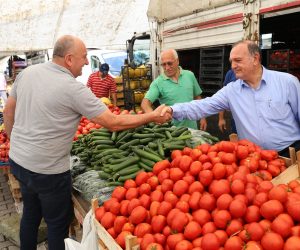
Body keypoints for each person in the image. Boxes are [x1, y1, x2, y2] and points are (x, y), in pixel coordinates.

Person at [3, 35, 171, 250]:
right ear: (69, 58)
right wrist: (152, 116)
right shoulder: (72, 88)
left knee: (31, 215)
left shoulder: (27, 73)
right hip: (49, 172)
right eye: (83, 57)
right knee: (56, 225)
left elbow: (9, 111)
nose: (85, 62)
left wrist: (17, 143)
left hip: (19, 162)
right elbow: (113, 122)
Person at [161, 40, 300, 157]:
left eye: (238, 60)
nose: (233, 66)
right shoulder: (231, 91)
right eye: (231, 61)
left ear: (255, 59)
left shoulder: (288, 83)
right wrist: (173, 109)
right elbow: (203, 105)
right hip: (253, 158)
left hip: (289, 153)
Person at [141, 49, 207, 130]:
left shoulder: (189, 75)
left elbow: (197, 97)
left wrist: (203, 117)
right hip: (172, 134)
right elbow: (145, 104)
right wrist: (154, 117)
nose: (167, 68)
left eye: (169, 63)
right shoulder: (158, 83)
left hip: (193, 130)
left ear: (177, 61)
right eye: (163, 65)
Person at [218, 69, 237, 133]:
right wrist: (221, 118)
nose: (233, 65)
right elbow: (224, 97)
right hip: (236, 119)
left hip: (257, 121)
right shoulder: (231, 73)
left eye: (238, 60)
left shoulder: (266, 76)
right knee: (236, 141)